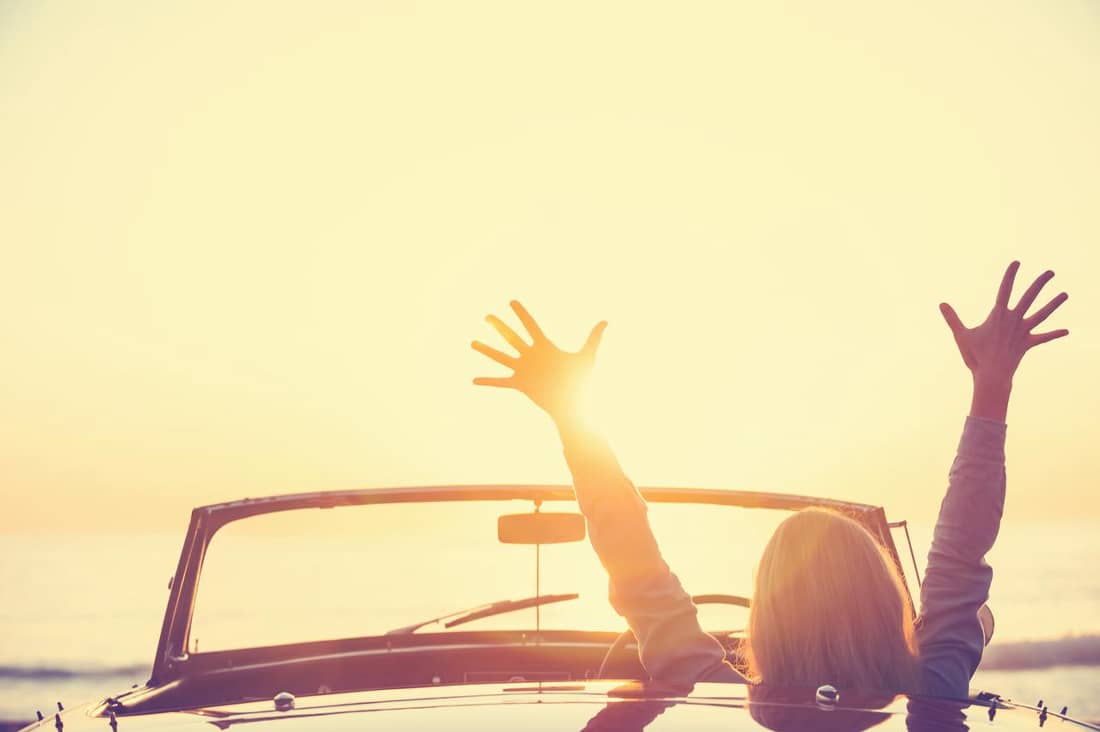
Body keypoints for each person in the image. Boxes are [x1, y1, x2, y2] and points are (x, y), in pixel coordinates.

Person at [471, 261, 1069, 698]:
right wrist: (992, 389)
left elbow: (632, 559)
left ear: (765, 620)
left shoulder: (708, 689)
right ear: (887, 606)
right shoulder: (934, 686)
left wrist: (571, 416)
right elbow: (960, 554)